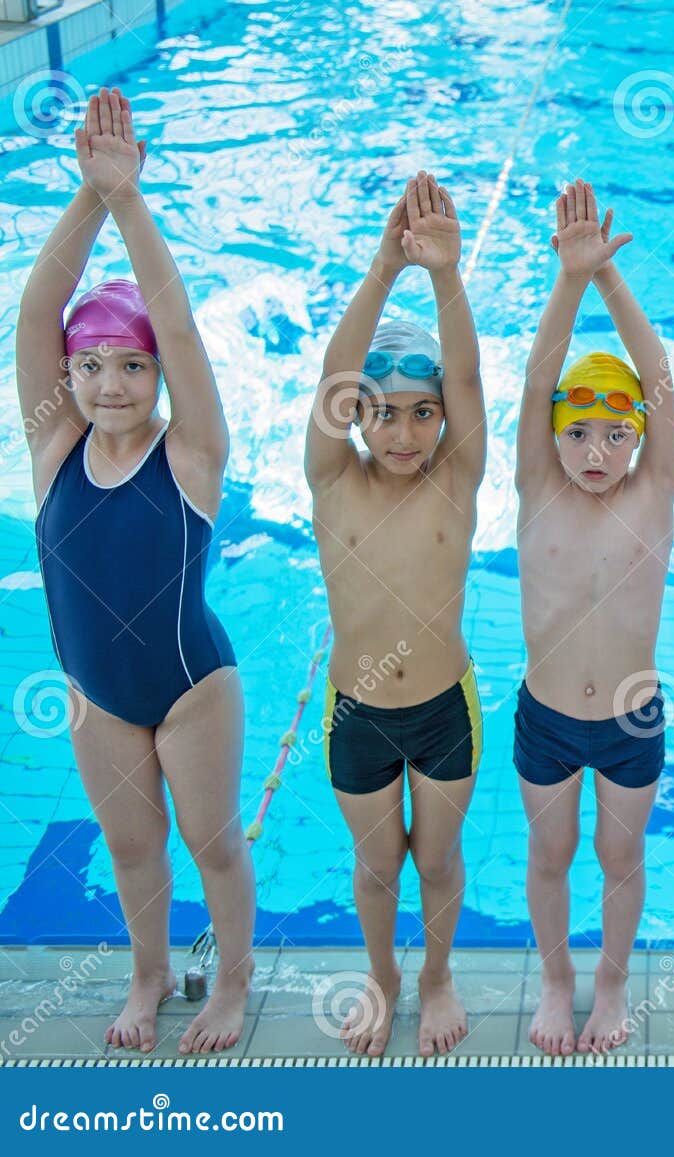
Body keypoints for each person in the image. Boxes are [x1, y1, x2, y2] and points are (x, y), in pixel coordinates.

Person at [21, 87, 254, 1054]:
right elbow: (38, 311)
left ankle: (232, 989)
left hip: (192, 685)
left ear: (158, 379)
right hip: (96, 693)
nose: (110, 384)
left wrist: (131, 204)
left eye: (132, 367)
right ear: (68, 376)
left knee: (210, 844)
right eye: (93, 366)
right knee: (131, 848)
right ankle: (149, 973)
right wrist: (86, 196)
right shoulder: (50, 450)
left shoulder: (190, 454)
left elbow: (181, 325)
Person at [305, 172, 488, 1057]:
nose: (405, 433)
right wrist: (385, 268)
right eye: (382, 415)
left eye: (423, 415)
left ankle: (438, 975)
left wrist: (445, 279)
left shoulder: (458, 478)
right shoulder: (333, 483)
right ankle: (381, 979)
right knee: (379, 864)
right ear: (357, 418)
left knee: (439, 861)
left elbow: (467, 374)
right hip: (358, 715)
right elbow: (334, 381)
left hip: (445, 710)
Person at [514, 180, 674, 1056]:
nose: (596, 452)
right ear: (553, 437)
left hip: (631, 717)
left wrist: (610, 284)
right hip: (546, 717)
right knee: (551, 858)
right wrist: (567, 284)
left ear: (641, 439)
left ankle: (611, 980)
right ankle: (556, 978)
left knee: (620, 860)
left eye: (617, 435)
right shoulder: (539, 490)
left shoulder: (652, 495)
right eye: (578, 434)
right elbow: (544, 376)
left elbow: (656, 381)